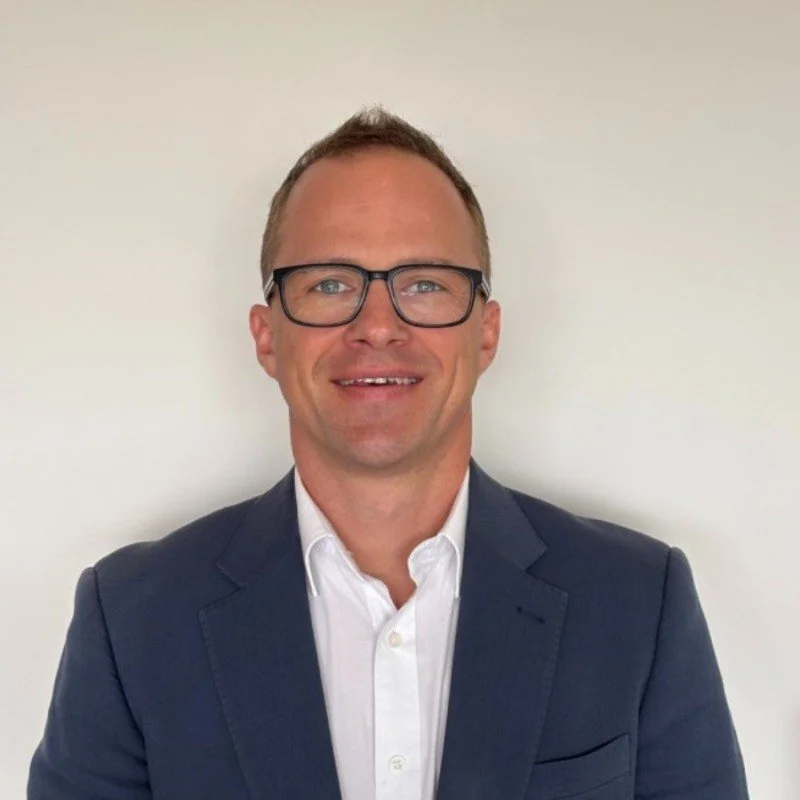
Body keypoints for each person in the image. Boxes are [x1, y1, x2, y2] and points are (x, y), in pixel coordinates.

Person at [28, 108, 749, 800]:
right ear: (267, 337)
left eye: (425, 283)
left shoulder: (637, 604)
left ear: (486, 333)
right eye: (330, 283)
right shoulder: (133, 621)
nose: (377, 325)